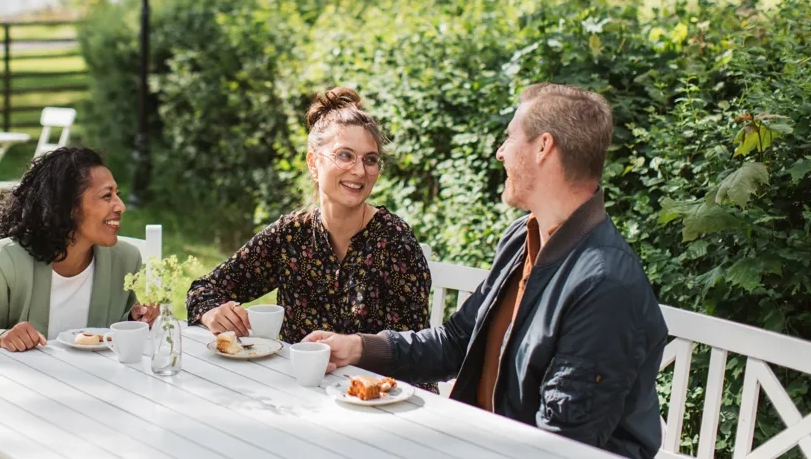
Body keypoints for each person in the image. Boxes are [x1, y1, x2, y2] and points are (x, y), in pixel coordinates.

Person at [304, 83, 668, 459]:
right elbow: (457, 342)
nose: (500, 152)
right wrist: (359, 346)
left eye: (510, 137)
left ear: (543, 147)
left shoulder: (604, 284)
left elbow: (561, 445)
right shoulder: (523, 238)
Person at [185, 87, 432, 347]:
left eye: (370, 160)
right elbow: (203, 290)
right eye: (345, 155)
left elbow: (414, 349)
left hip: (369, 376)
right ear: (314, 163)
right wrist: (212, 313)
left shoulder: (394, 240)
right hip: (294, 374)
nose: (360, 171)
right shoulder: (290, 235)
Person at [0, 146, 157, 355]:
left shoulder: (124, 260)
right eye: (107, 196)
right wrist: (1, 339)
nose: (121, 206)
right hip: (25, 377)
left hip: (95, 377)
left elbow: (111, 333)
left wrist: (134, 320)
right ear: (68, 206)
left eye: (117, 194)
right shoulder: (7, 263)